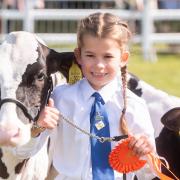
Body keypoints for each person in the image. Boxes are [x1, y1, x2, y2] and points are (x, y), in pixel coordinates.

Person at [14, 12, 156, 180]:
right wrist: (37, 126)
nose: (99, 65)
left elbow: (150, 173)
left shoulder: (134, 105)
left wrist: (146, 152)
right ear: (78, 56)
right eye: (90, 55)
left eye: (108, 56)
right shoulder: (59, 99)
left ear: (123, 58)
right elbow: (21, 152)